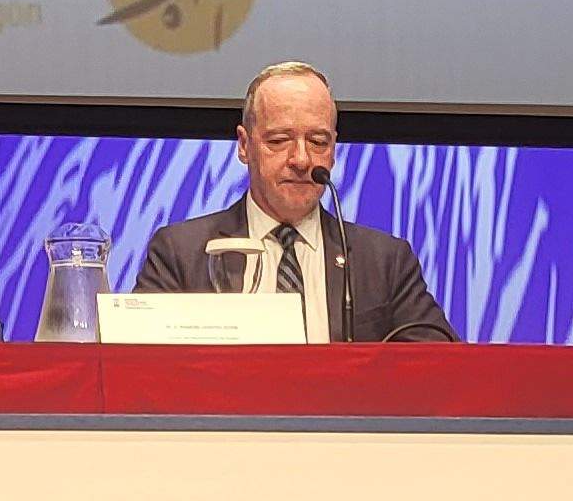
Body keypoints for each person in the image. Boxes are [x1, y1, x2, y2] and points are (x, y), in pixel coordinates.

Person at [129, 61, 453, 342]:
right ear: (244, 145)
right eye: (279, 140)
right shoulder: (182, 253)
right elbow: (137, 365)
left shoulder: (384, 261)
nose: (301, 159)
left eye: (317, 141)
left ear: (334, 149)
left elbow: (442, 364)